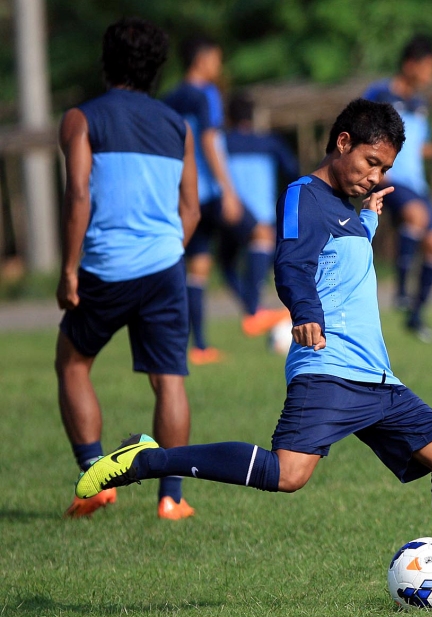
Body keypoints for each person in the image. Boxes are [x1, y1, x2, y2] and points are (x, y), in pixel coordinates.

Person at [75, 99, 432, 604]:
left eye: (385, 169)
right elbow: (293, 262)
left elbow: (340, 260)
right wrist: (304, 311)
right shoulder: (304, 195)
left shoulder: (348, 209)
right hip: (330, 369)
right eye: (371, 162)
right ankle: (148, 459)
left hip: (376, 376)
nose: (376, 176)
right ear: (343, 142)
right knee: (287, 474)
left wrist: (368, 221)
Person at [56, 17, 200, 520]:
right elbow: (191, 210)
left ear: (106, 61)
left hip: (105, 267)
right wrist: (165, 255)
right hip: (165, 268)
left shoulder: (81, 119)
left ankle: (94, 478)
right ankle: (172, 498)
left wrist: (69, 269)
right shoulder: (177, 126)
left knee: (73, 363)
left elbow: (78, 195)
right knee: (170, 380)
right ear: (157, 68)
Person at [164, 36, 275, 365]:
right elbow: (210, 139)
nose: (219, 65)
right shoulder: (207, 94)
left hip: (185, 195)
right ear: (202, 59)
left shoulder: (170, 98)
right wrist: (227, 190)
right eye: (216, 59)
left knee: (197, 268)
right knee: (261, 234)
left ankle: (198, 348)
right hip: (210, 191)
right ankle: (253, 310)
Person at [363, 36, 432, 343]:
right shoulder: (380, 94)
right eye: (429, 68)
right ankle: (401, 290)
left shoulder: (420, 104)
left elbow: (416, 147)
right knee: (416, 216)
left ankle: (415, 315)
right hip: (390, 178)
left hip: (416, 183)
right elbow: (361, 133)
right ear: (410, 65)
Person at [224, 93, 298, 331]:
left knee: (226, 263)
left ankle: (252, 308)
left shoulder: (222, 142)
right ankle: (254, 309)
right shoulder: (270, 142)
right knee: (263, 247)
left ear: (229, 117)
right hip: (263, 215)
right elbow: (292, 170)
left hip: (231, 213)